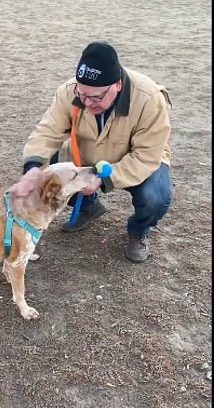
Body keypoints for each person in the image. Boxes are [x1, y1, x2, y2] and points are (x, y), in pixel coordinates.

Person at [22, 41, 172, 262]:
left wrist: (103, 180)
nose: (88, 102)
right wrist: (33, 168)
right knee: (49, 168)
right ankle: (89, 207)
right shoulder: (70, 91)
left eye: (97, 97)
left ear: (117, 85)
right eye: (82, 95)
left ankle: (139, 230)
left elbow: (146, 156)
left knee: (155, 197)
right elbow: (47, 133)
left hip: (136, 159)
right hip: (87, 154)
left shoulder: (149, 99)